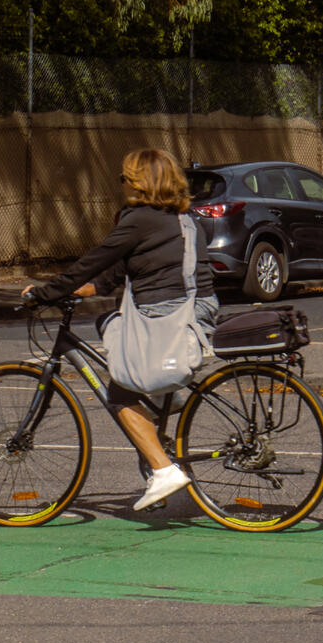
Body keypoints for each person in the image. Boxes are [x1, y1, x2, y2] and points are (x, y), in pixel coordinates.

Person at [24, 147, 218, 511]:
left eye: (125, 178)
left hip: (165, 317)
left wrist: (45, 293)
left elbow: (93, 260)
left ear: (139, 183)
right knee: (109, 324)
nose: (122, 184)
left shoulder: (139, 219)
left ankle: (163, 469)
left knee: (120, 391)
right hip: (198, 313)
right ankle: (164, 402)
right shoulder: (183, 219)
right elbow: (118, 270)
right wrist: (88, 289)